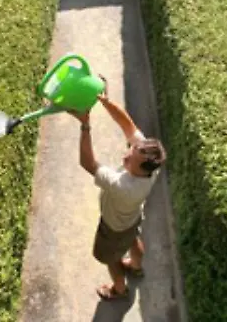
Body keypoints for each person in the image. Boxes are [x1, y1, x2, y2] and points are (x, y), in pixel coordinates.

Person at [69, 76, 167, 301]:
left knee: (111, 259)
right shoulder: (152, 164)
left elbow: (88, 163)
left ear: (142, 168)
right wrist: (107, 102)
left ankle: (119, 289)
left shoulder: (122, 186)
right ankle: (135, 266)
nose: (126, 154)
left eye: (129, 158)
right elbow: (127, 124)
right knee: (133, 239)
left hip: (112, 229)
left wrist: (85, 125)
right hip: (132, 219)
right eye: (131, 150)